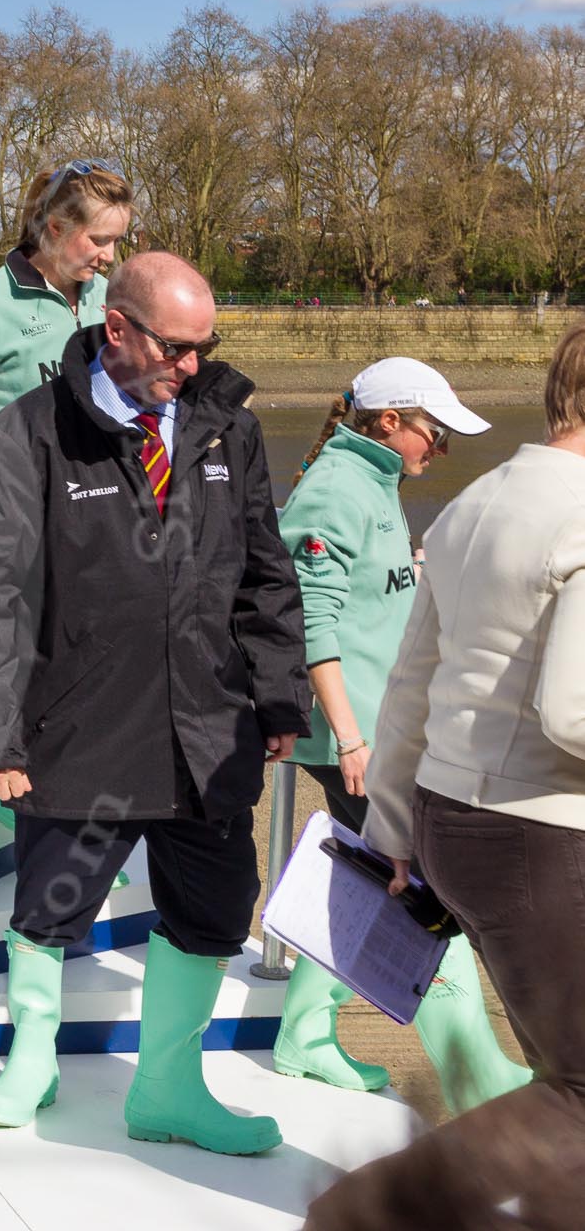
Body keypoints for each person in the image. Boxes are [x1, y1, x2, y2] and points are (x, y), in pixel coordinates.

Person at [0, 251, 309, 1153]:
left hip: (207, 731)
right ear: (117, 329)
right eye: (176, 347)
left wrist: (279, 699)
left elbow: (268, 575)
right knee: (48, 906)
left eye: (205, 346)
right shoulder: (28, 434)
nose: (192, 366)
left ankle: (168, 1087)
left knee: (216, 910)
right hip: (81, 725)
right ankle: (32, 1058)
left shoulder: (230, 429)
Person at [304, 326, 585, 1231]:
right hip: (544, 837)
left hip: (456, 822)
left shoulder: (478, 501)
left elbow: (411, 692)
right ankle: (368, 1213)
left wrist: (393, 832)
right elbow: (574, 712)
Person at [270, 359, 529, 1114]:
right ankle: (472, 1070)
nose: (437, 450)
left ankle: (303, 1034)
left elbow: (361, 599)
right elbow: (310, 621)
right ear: (389, 423)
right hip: (351, 736)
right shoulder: (336, 490)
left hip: (378, 728)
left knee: (372, 879)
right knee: (419, 889)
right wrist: (350, 740)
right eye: (433, 434)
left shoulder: (370, 483)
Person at [0, 160, 133, 832]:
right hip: (17, 525)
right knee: (19, 676)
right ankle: (17, 827)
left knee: (88, 671)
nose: (109, 257)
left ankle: (69, 813)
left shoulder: (109, 301)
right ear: (54, 227)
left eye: (116, 243)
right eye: (98, 241)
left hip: (96, 520)